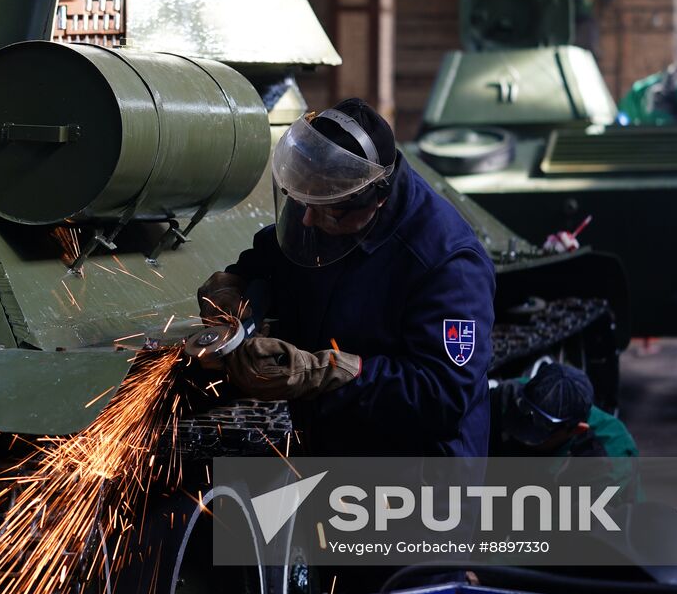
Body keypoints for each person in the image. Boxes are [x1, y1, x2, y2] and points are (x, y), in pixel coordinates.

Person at [197, 98, 496, 458]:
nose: (307, 220)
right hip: (332, 451)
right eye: (304, 203)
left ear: (375, 200)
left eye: (328, 211)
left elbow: (442, 395)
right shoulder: (325, 206)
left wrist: (328, 373)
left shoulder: (447, 263)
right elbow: (268, 262)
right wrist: (234, 291)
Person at [490, 362, 640, 501]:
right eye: (527, 410)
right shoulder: (508, 396)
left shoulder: (608, 455)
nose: (527, 429)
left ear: (576, 429)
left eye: (545, 425)